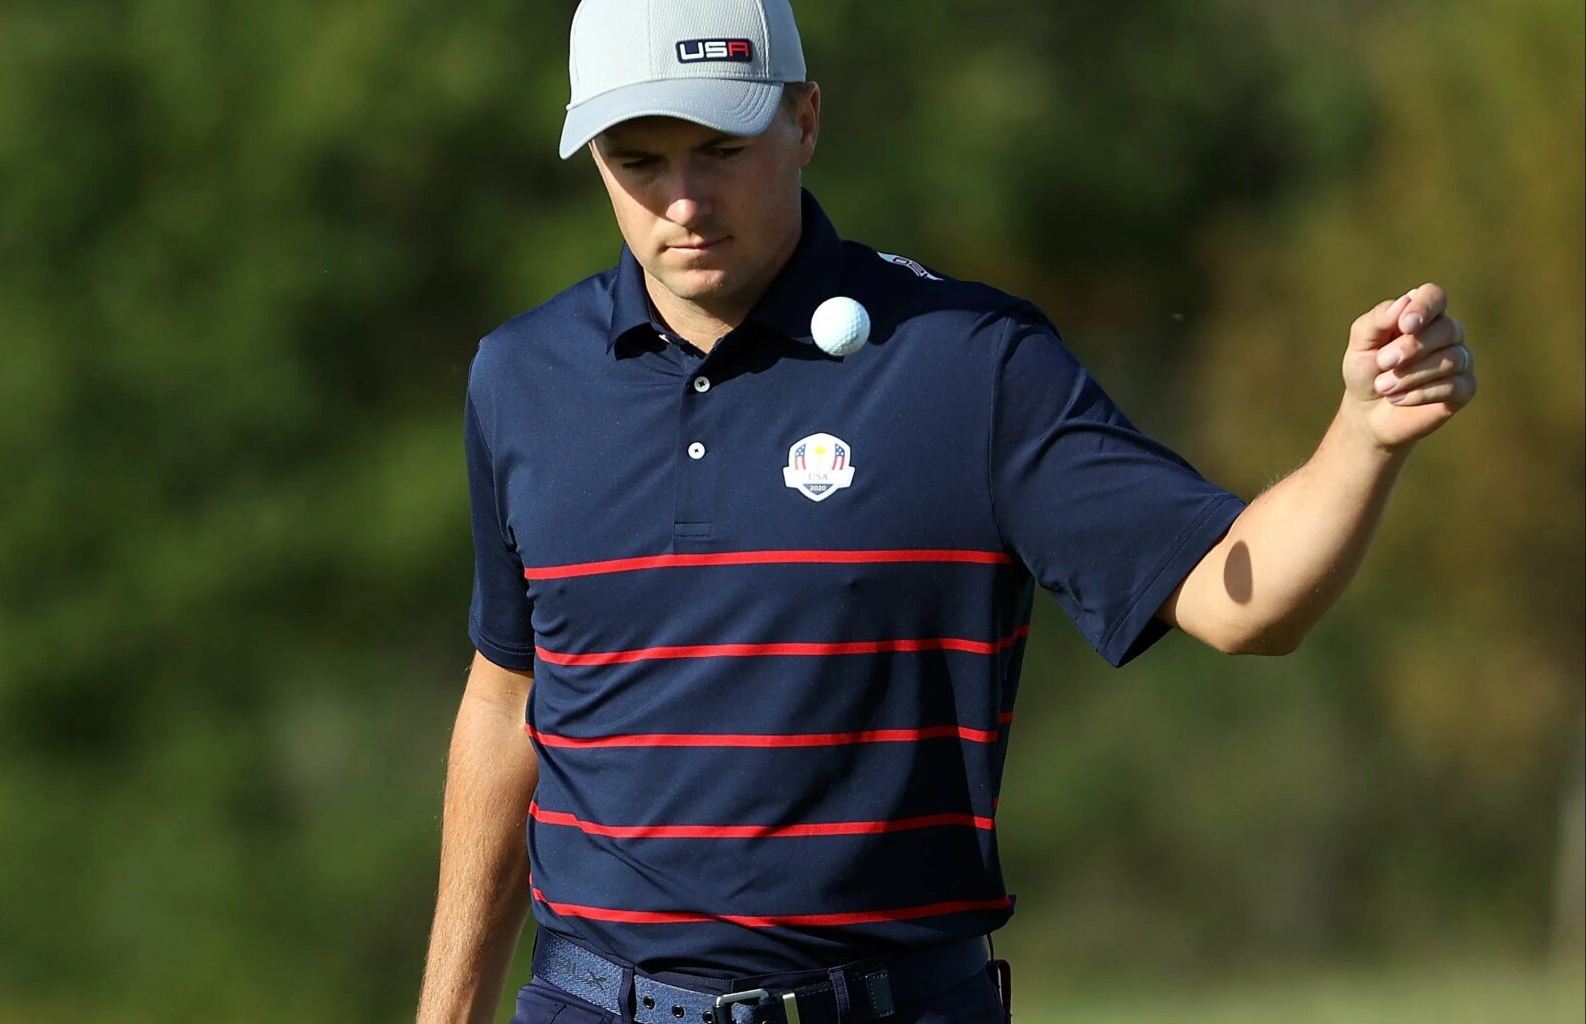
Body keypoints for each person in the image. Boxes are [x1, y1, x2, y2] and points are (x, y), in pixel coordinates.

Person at [416, 0, 1478, 1021]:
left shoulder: (968, 363)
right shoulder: (523, 378)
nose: (683, 201)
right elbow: (508, 705)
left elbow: (1246, 599)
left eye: (720, 150)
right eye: (638, 162)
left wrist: (1362, 435)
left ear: (805, 121)